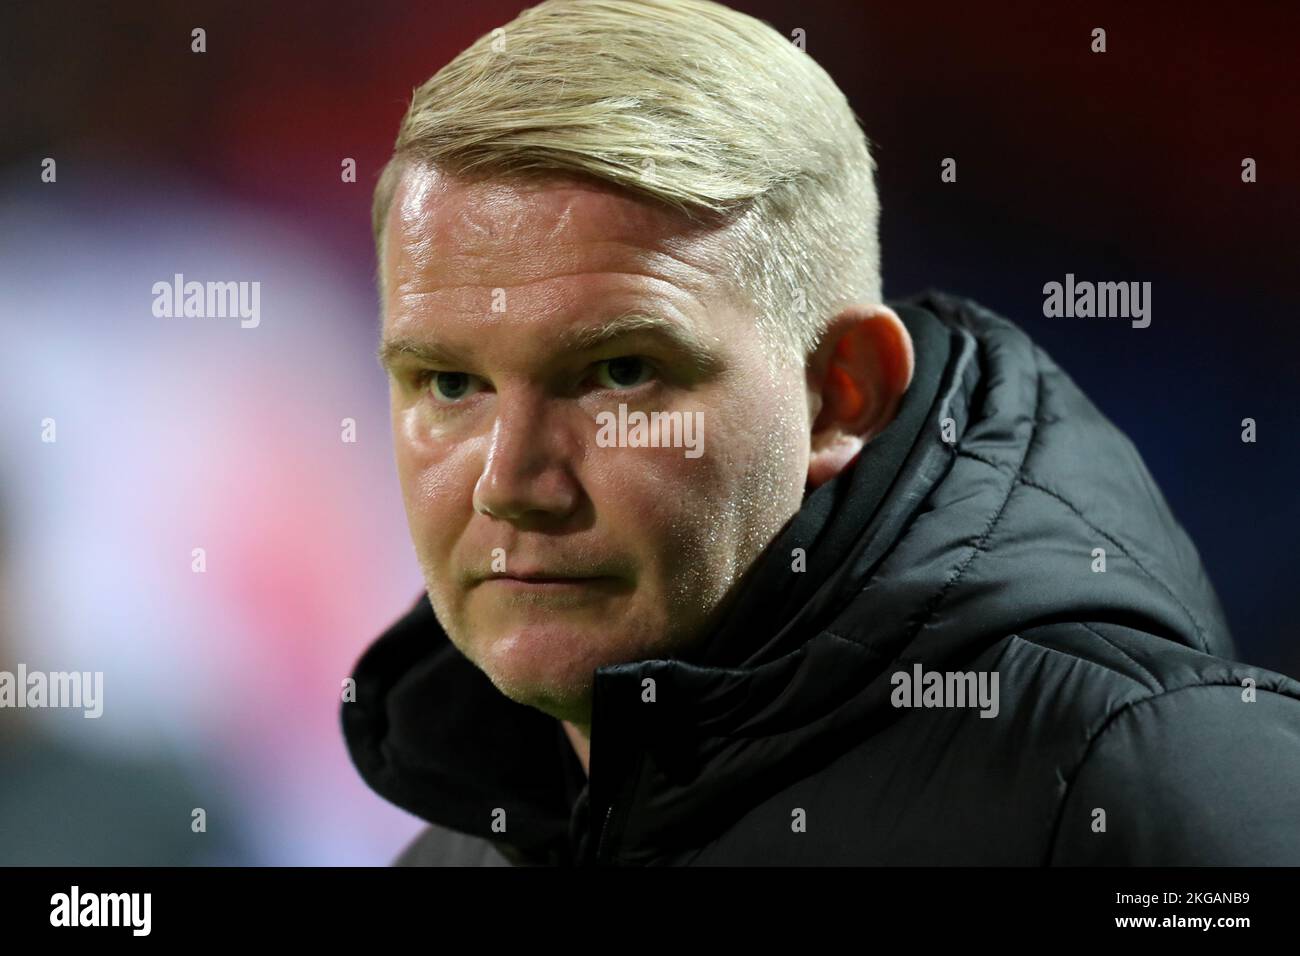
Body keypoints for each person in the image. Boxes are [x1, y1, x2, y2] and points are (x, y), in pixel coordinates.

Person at [341, 0, 1300, 865]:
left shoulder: (1151, 789)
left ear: (843, 394)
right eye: (450, 381)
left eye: (620, 373)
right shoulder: (457, 852)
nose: (509, 483)